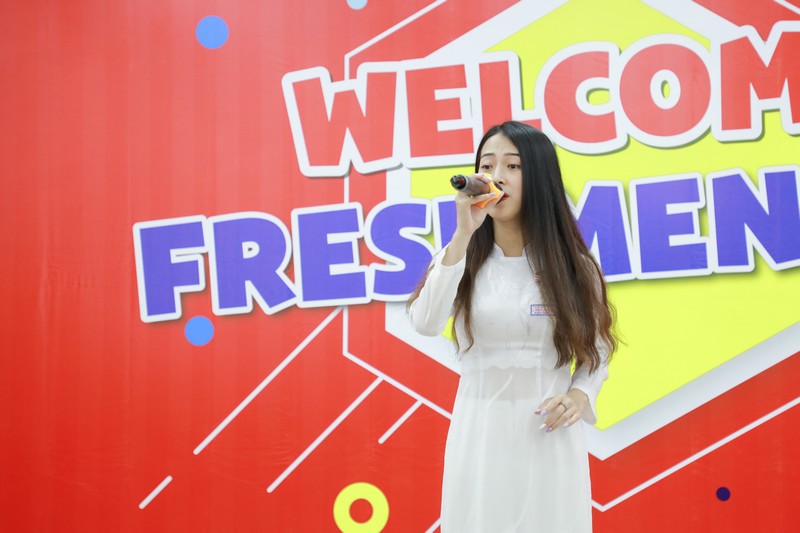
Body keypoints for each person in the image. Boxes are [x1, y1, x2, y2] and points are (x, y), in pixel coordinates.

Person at [407, 121, 616, 532]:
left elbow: (598, 349)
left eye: (513, 166)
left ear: (539, 177)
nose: (497, 176)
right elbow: (426, 322)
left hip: (548, 436)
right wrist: (463, 236)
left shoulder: (575, 267)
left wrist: (579, 393)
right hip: (479, 435)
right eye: (487, 166)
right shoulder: (458, 257)